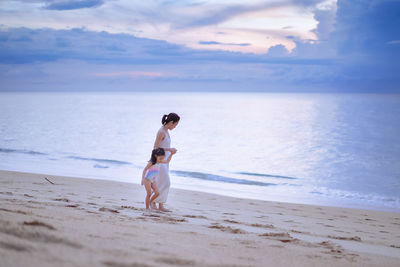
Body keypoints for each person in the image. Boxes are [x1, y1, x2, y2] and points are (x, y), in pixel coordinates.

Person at [152, 113, 180, 211]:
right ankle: (152, 202)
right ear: (172, 122)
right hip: (159, 161)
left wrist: (170, 152)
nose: (175, 127)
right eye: (175, 125)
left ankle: (160, 205)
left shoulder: (166, 131)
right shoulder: (161, 132)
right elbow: (155, 147)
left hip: (165, 161)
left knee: (161, 182)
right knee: (166, 182)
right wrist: (169, 149)